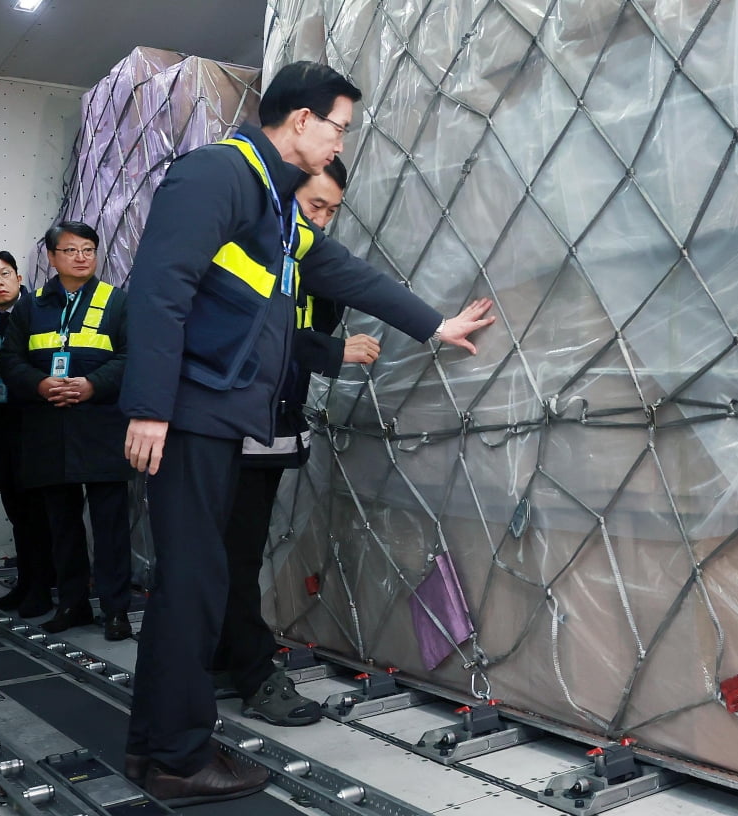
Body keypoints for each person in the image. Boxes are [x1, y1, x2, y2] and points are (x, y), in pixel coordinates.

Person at [119, 61, 494, 806]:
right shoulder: (217, 176)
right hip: (189, 412)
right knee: (192, 585)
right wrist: (150, 406)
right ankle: (178, 756)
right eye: (340, 126)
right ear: (299, 121)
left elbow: (343, 272)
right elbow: (160, 289)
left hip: (217, 414)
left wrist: (434, 324)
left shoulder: (277, 206)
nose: (341, 140)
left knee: (194, 584)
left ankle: (158, 745)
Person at [213, 157, 376, 726]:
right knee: (228, 555)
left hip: (274, 429)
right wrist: (334, 353)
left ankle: (225, 658)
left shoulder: (316, 269)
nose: (323, 221)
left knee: (241, 551)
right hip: (227, 429)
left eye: (331, 211)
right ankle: (252, 672)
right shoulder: (244, 252)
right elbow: (259, 336)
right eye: (314, 207)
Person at [0, 221, 134, 641]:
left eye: (88, 250)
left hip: (101, 428)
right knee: (62, 526)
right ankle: (72, 603)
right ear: (52, 257)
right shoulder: (31, 306)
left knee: (111, 527)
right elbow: (10, 360)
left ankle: (116, 611)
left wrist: (93, 384)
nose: (81, 257)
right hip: (49, 430)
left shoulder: (118, 302)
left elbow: (134, 355)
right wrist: (39, 384)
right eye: (71, 250)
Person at [0, 248, 54, 617]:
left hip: (39, 422)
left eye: (4, 274)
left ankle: (42, 587)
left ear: (19, 278)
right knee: (16, 509)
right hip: (1, 423)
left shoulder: (40, 312)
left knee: (40, 511)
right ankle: (25, 583)